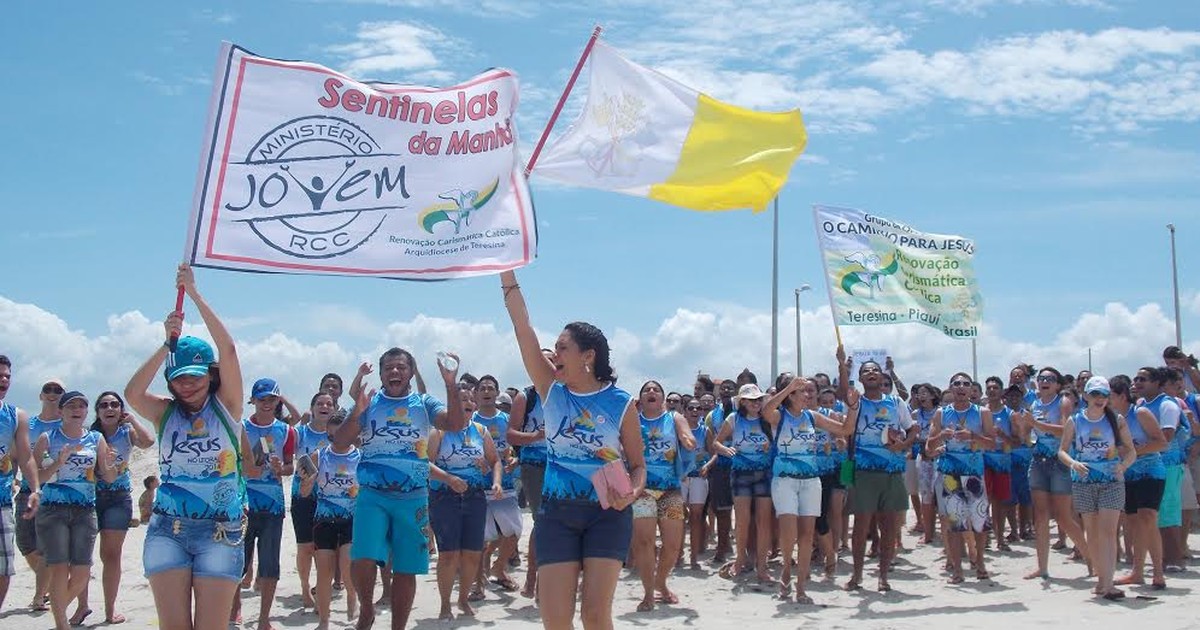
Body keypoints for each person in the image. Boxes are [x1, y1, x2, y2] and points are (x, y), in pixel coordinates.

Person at [499, 269, 645, 630]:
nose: (555, 354)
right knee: (556, 620)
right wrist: (506, 271)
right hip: (557, 514)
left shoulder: (620, 403)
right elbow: (523, 328)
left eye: (563, 347)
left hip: (607, 514)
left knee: (595, 616)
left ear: (588, 356)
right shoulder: (551, 390)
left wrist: (634, 493)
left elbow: (639, 466)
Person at [124, 264, 259, 630]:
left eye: (195, 377)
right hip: (168, 529)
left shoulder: (227, 407)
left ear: (211, 376)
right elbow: (132, 393)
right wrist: (165, 345)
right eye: (178, 378)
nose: (186, 386)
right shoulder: (165, 413)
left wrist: (195, 295)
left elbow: (228, 349)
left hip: (222, 530)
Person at [335, 346, 463, 630]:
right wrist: (358, 412)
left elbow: (454, 423)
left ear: (411, 372)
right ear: (380, 374)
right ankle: (367, 607)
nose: (395, 372)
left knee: (406, 567)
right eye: (389, 367)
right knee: (363, 556)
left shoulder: (424, 402)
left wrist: (451, 385)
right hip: (373, 494)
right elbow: (340, 443)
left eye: (401, 367)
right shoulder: (368, 403)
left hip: (413, 497)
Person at [33, 390, 117, 630]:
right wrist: (59, 462)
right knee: (59, 567)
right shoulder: (47, 438)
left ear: (86, 411)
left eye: (81, 406)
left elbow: (109, 477)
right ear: (60, 411)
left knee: (81, 573)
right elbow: (35, 478)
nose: (76, 410)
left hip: (84, 510)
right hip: (53, 509)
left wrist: (110, 462)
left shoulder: (95, 439)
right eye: (71, 406)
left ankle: (59, 612)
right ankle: (62, 624)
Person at [762, 374, 847, 603]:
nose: (808, 394)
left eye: (809, 391)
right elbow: (766, 411)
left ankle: (801, 586)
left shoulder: (812, 417)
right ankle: (787, 572)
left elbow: (845, 430)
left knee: (808, 533)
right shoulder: (780, 416)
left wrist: (855, 407)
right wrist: (789, 386)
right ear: (790, 394)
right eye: (802, 391)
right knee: (789, 531)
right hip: (785, 480)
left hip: (812, 480)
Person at [837, 348, 915, 592]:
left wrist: (904, 444)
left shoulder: (896, 402)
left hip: (892, 471)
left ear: (883, 377)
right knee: (861, 525)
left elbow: (913, 429)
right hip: (864, 471)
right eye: (865, 371)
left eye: (875, 370)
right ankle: (857, 575)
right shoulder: (857, 402)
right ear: (860, 378)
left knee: (889, 526)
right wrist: (843, 367)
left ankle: (883, 576)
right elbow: (842, 392)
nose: (871, 373)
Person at [73, 391, 154, 625]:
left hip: (119, 498)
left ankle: (110, 609)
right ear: (98, 411)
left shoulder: (127, 433)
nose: (110, 409)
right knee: (82, 556)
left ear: (121, 410)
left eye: (115, 405)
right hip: (91, 496)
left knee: (111, 556)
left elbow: (148, 442)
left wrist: (133, 420)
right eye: (105, 405)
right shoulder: (90, 436)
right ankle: (83, 606)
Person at [1058, 376, 1136, 600]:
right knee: (1091, 532)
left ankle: (1109, 583)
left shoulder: (1117, 420)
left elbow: (1131, 451)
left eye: (1104, 394)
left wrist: (1122, 466)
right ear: (1086, 396)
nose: (1100, 399)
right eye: (1095, 394)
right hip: (1083, 481)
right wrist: (1073, 462)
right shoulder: (1075, 421)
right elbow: (1062, 451)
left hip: (1111, 480)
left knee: (1109, 532)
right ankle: (1102, 580)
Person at [427, 401, 502, 620]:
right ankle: (445, 605)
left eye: (470, 402)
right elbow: (424, 464)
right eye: (461, 401)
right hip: (444, 497)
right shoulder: (438, 432)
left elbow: (495, 460)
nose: (466, 405)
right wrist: (448, 478)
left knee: (472, 553)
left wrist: (495, 480)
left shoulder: (480, 431)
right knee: (449, 554)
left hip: (475, 496)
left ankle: (463, 600)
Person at [234, 378, 296, 630]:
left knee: (270, 563)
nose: (267, 404)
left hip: (273, 506)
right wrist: (247, 469)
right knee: (239, 561)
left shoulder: (287, 431)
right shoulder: (240, 429)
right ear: (253, 401)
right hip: (244, 504)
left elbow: (292, 465)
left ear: (278, 401)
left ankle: (264, 618)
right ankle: (235, 608)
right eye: (262, 399)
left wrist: (283, 470)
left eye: (272, 399)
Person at [1018, 367, 1088, 580]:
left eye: (1049, 379)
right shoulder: (1035, 404)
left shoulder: (1062, 401)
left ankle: (1090, 558)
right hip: (1038, 460)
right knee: (1040, 516)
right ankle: (1043, 567)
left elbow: (1065, 429)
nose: (1044, 381)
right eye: (1041, 378)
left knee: (1064, 516)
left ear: (1058, 384)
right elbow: (1027, 436)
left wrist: (1036, 424)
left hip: (1059, 462)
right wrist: (1024, 427)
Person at [300, 405, 366, 630]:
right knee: (324, 573)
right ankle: (324, 621)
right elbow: (304, 492)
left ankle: (351, 595)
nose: (336, 438)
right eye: (332, 435)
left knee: (348, 569)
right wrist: (308, 482)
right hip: (324, 520)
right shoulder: (319, 456)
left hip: (352, 520)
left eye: (341, 433)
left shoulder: (360, 457)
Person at [631, 380, 695, 612]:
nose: (651, 392)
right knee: (645, 542)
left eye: (656, 390)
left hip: (670, 489)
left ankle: (661, 582)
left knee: (673, 545)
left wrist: (688, 441)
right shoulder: (633, 420)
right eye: (646, 389)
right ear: (641, 398)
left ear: (662, 398)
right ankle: (649, 593)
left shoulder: (674, 418)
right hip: (642, 490)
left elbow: (687, 436)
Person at [926, 373, 995, 583]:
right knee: (955, 525)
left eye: (966, 384)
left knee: (980, 522)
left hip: (974, 473)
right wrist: (941, 437)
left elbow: (992, 444)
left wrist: (973, 437)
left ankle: (980, 563)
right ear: (950, 388)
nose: (961, 387)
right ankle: (957, 569)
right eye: (957, 384)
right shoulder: (941, 413)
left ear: (972, 389)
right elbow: (928, 447)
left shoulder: (982, 412)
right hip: (950, 475)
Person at [712, 383, 775, 585]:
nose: (756, 403)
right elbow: (716, 442)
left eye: (758, 399)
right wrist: (726, 449)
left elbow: (779, 442)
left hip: (763, 472)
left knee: (763, 521)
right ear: (743, 402)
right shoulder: (734, 419)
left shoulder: (768, 419)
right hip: (741, 472)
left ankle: (762, 566)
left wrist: (769, 445)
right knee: (742, 520)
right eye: (751, 399)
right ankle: (740, 559)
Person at [1110, 373, 1167, 588]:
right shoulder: (1113, 420)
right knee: (1134, 523)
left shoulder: (1140, 412)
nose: (1107, 399)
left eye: (1111, 395)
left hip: (1151, 471)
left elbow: (1161, 442)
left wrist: (1134, 452)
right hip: (1128, 474)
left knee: (1148, 518)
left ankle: (1158, 573)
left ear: (1122, 395)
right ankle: (1138, 571)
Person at [17, 378, 65, 610]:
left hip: (54, 493)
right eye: (48, 389)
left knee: (45, 545)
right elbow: (17, 452)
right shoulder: (29, 424)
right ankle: (54, 580)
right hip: (26, 489)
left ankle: (39, 596)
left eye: (58, 390)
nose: (52, 393)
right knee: (25, 543)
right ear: (41, 395)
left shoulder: (67, 425)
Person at [0, 354, 43, 613]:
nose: (4, 380)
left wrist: (35, 489)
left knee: (4, 570)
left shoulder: (16, 415)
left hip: (3, 503)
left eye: (7, 376)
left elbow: (26, 456)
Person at [472, 375, 522, 596]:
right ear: (475, 394)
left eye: (490, 388)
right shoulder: (470, 420)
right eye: (482, 388)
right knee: (481, 538)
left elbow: (517, 447)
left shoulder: (507, 419)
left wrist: (515, 459)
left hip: (506, 484)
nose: (486, 391)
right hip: (477, 485)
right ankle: (479, 583)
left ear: (497, 392)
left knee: (513, 532)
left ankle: (498, 568)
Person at [507, 352, 551, 599]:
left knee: (561, 521)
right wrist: (536, 436)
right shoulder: (526, 396)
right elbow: (511, 435)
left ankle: (552, 577)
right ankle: (533, 576)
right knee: (542, 520)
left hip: (562, 465)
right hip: (534, 465)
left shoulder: (565, 392)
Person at [293, 392, 335, 609]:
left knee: (324, 550)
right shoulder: (300, 433)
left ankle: (322, 592)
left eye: (329, 404)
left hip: (329, 498)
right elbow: (290, 460)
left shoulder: (338, 435)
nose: (324, 406)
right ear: (312, 408)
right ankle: (304, 587)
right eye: (320, 403)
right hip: (302, 496)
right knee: (305, 547)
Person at [983, 377, 1017, 550]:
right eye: (989, 388)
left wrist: (1003, 436)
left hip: (1002, 461)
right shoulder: (981, 412)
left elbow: (1017, 441)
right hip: (983, 461)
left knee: (1000, 502)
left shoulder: (1009, 414)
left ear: (1002, 391)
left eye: (995, 387)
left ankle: (1000, 538)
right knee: (984, 500)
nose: (992, 390)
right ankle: (986, 535)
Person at [680, 397, 714, 569]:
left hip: (699, 478)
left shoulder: (705, 430)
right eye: (691, 408)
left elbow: (714, 452)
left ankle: (693, 557)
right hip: (681, 478)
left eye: (698, 408)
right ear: (684, 411)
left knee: (696, 517)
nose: (695, 411)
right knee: (678, 517)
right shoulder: (677, 429)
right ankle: (678, 555)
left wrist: (708, 465)